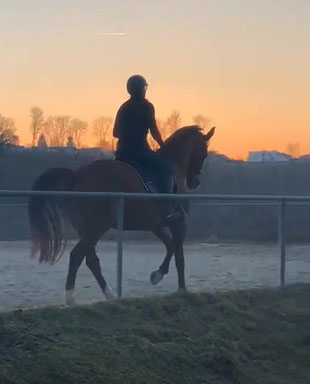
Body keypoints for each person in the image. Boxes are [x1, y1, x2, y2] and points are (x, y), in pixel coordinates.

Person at [113, 75, 184, 224]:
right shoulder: (147, 106)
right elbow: (154, 130)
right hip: (140, 151)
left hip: (122, 153)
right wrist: (162, 145)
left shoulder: (124, 107)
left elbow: (115, 133)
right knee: (165, 169)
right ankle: (165, 210)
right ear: (142, 90)